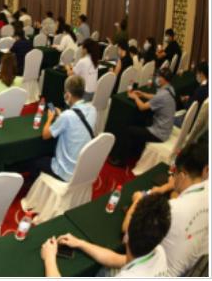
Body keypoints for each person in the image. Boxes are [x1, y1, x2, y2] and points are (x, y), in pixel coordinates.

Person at [42, 193, 171, 277]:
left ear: (127, 236)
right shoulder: (159, 252)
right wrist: (80, 243)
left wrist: (49, 258)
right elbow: (116, 259)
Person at [127, 141, 207, 276]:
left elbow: (130, 229)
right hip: (194, 269)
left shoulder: (172, 209)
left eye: (175, 174)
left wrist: (138, 201)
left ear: (182, 175)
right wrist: (166, 187)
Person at [26, 76, 96, 183]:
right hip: (81, 169)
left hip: (65, 171)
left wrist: (49, 118)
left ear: (68, 95)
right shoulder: (93, 109)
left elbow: (45, 135)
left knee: (33, 163)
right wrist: (61, 115)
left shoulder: (67, 116)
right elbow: (76, 123)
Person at [109, 67, 177, 167]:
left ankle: (121, 161)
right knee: (140, 123)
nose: (157, 78)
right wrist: (143, 94)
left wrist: (135, 97)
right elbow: (156, 97)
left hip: (159, 133)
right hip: (166, 129)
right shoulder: (170, 89)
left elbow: (142, 107)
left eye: (159, 76)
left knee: (128, 130)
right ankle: (135, 152)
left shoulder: (162, 95)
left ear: (163, 79)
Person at [175, 61, 208, 127]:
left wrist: (184, 100)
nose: (196, 75)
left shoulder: (200, 90)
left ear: (201, 73)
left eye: (197, 73)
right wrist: (189, 98)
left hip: (188, 122)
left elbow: (189, 107)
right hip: (198, 122)